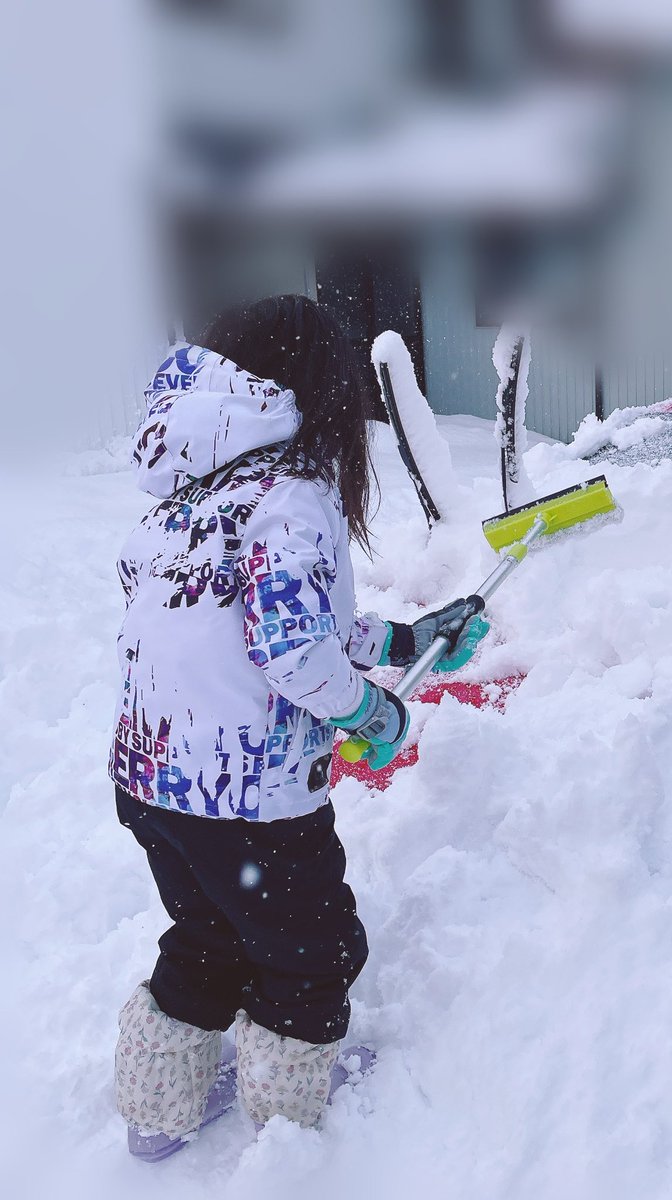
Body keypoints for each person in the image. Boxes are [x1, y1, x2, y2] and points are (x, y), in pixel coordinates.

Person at [111, 295, 483, 1149]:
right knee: (310, 949)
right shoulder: (291, 493)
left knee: (205, 934)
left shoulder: (186, 500)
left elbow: (275, 622)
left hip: (150, 783)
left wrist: (399, 639)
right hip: (252, 799)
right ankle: (285, 1120)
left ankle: (154, 1120)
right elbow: (288, 647)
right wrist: (371, 708)